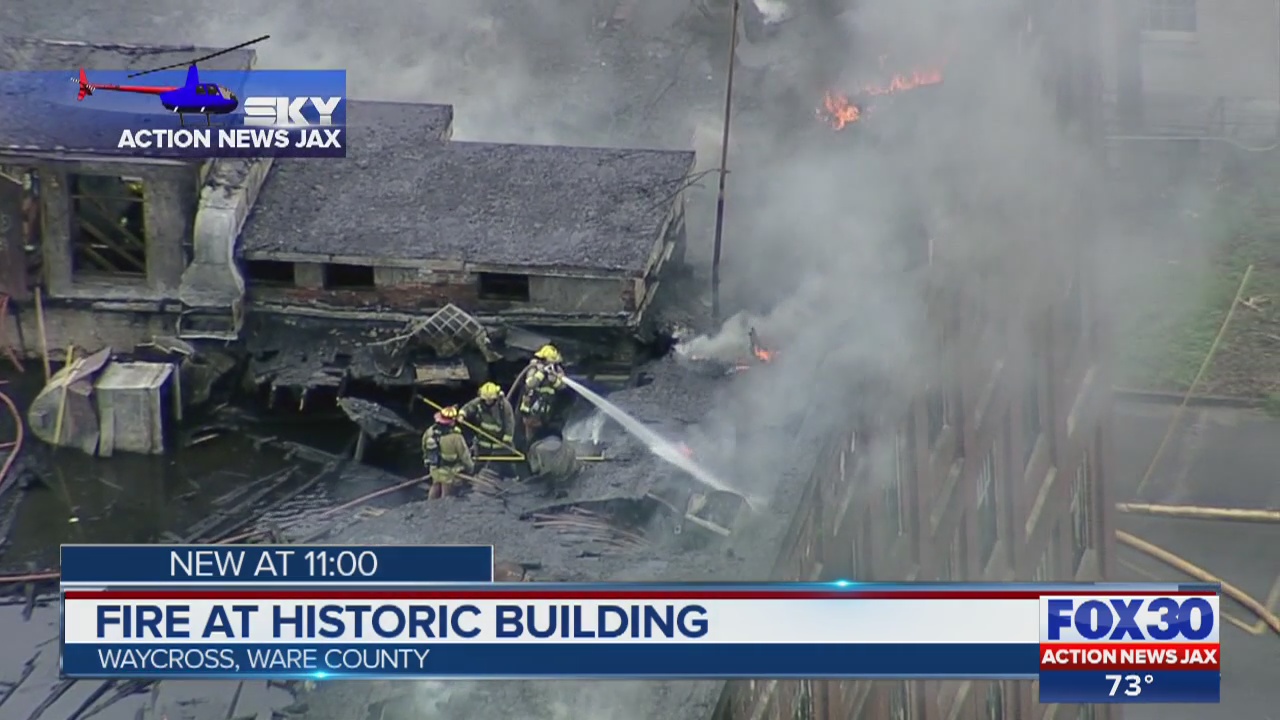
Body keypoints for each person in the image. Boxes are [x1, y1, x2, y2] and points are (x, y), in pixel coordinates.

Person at [421, 406, 475, 499]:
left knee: (436, 485)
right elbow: (465, 456)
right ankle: (443, 509)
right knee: (447, 494)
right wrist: (470, 469)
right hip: (450, 472)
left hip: (435, 469)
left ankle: (430, 506)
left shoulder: (430, 431)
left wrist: (427, 461)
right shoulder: (456, 437)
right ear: (452, 421)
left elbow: (424, 447)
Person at [518, 345, 565, 444]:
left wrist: (554, 380)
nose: (551, 364)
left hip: (546, 410)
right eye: (549, 361)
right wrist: (541, 373)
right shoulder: (534, 367)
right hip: (531, 409)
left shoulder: (557, 370)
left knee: (545, 438)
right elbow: (529, 384)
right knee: (530, 439)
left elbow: (562, 386)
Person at [459, 382, 516, 458]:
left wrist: (507, 439)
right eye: (486, 399)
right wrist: (462, 414)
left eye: (490, 399)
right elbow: (469, 407)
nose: (488, 402)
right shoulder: (479, 402)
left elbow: (509, 422)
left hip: (499, 443)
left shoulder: (504, 406)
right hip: (483, 442)